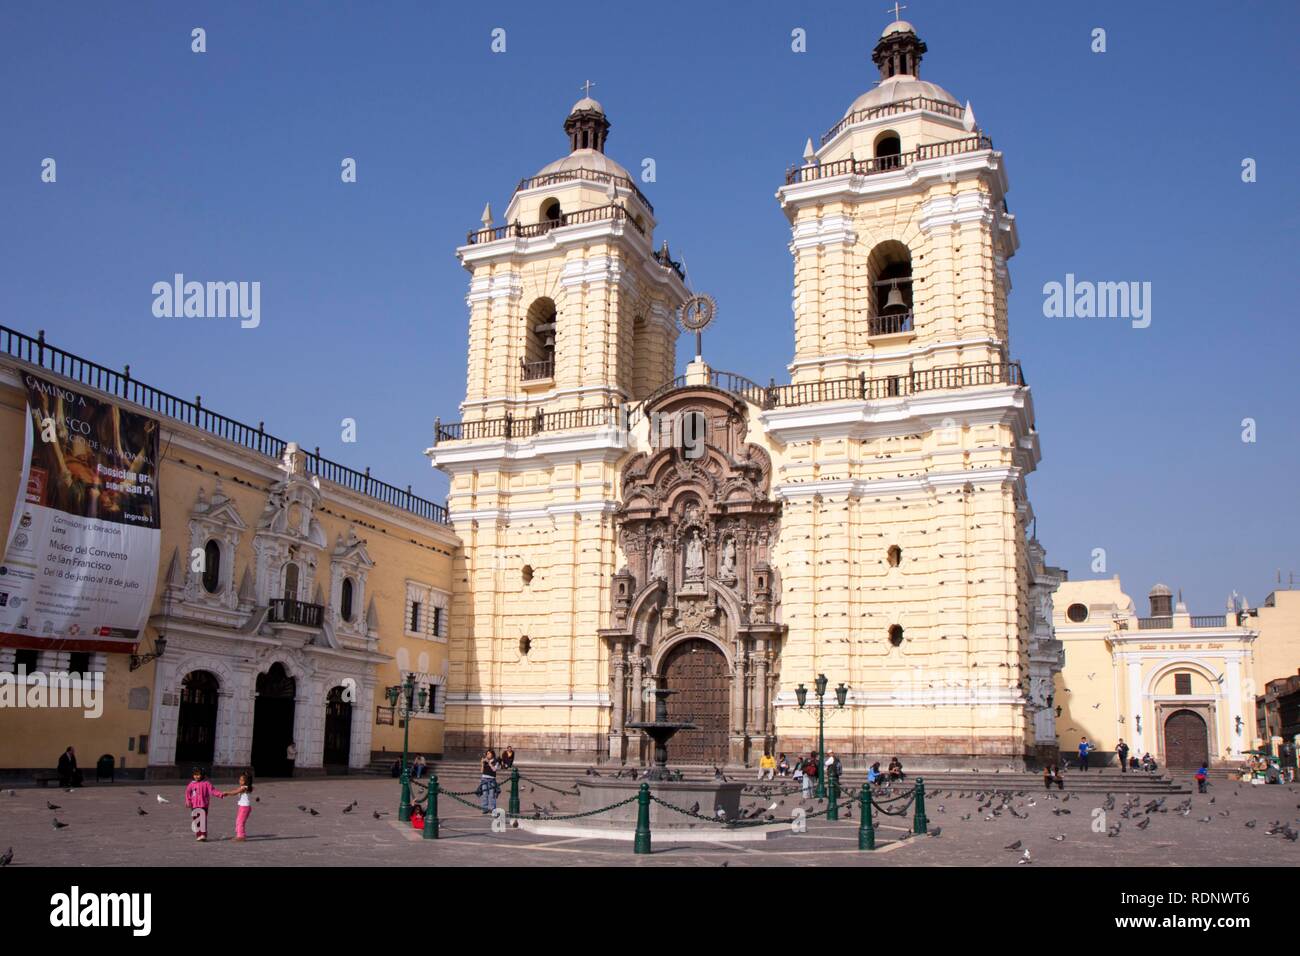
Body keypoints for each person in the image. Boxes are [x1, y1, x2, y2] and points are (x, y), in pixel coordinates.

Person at [184, 767, 224, 843]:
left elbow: (213, 791)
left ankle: (203, 835)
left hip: (203, 805)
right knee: (196, 820)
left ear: (202, 775)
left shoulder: (206, 783)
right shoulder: (191, 784)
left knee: (203, 820)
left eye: (198, 775)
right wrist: (188, 801)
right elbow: (188, 793)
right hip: (194, 805)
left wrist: (220, 794)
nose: (196, 776)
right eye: (195, 775)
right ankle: (198, 835)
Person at [225, 771, 255, 841]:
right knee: (239, 820)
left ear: (246, 781)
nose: (239, 781)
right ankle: (239, 833)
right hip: (243, 807)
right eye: (240, 779)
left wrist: (227, 793)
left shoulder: (244, 788)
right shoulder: (246, 787)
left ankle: (241, 836)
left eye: (242, 780)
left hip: (245, 808)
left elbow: (235, 792)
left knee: (240, 821)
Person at [478, 749, 501, 813]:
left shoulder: (496, 761)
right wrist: (482, 763)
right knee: (485, 794)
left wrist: (489, 763)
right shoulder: (485, 761)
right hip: (484, 779)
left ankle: (492, 808)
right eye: (487, 754)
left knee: (491, 794)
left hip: (491, 780)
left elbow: (494, 770)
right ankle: (484, 808)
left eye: (489, 753)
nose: (488, 755)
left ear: (492, 754)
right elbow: (482, 771)